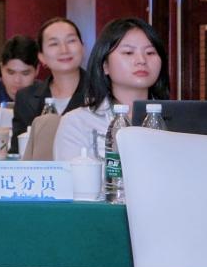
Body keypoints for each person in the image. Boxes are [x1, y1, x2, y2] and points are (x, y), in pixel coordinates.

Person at [53, 18, 168, 161]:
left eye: (150, 53)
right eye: (128, 53)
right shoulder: (77, 123)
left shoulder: (176, 120)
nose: (141, 60)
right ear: (105, 65)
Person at [13, 17, 88, 144]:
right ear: (41, 57)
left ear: (83, 47)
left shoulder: (102, 92)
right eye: (54, 44)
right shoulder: (26, 98)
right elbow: (18, 149)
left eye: (71, 41)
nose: (64, 50)